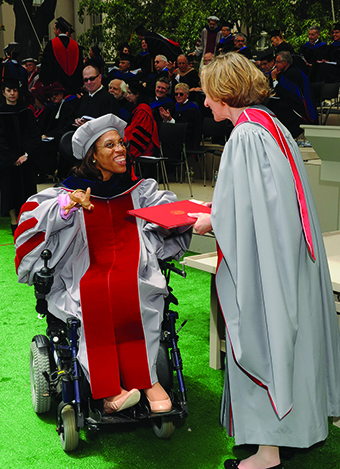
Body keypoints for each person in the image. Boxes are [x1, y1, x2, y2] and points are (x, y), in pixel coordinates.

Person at [188, 52, 340, 469]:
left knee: (265, 337)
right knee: (296, 342)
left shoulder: (246, 136)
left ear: (223, 92)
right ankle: (296, 431)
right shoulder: (271, 125)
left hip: (268, 264)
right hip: (293, 258)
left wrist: (209, 219)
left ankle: (268, 453)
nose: (204, 103)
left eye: (207, 95)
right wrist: (219, 210)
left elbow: (247, 216)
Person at [15, 113, 191, 413]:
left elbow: (167, 211)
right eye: (109, 145)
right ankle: (110, 391)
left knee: (134, 291)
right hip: (84, 272)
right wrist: (66, 209)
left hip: (133, 269)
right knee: (95, 295)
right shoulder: (65, 194)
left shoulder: (139, 190)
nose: (120, 149)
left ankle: (148, 382)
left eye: (121, 143)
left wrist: (180, 214)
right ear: (92, 157)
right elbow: (31, 224)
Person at [0, 77, 40, 234]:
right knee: (9, 188)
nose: (12, 93)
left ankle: (27, 217)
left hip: (25, 159)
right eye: (9, 91)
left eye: (15, 90)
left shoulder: (26, 112)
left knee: (27, 188)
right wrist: (11, 158)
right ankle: (13, 220)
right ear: (3, 93)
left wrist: (26, 155)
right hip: (8, 161)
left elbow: (34, 135)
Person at [268, 51, 317, 138]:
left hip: (300, 111)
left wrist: (274, 78)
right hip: (293, 103)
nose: (275, 65)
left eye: (277, 62)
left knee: (272, 105)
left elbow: (282, 93)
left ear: (285, 62)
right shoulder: (288, 72)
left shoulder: (292, 74)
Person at [69, 61, 121, 128]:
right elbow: (71, 118)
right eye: (85, 80)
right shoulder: (83, 99)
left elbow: (111, 126)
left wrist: (89, 126)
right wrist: (77, 122)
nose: (89, 82)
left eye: (92, 79)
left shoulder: (109, 100)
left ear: (99, 77)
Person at [39, 16, 83, 94]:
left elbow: (47, 66)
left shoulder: (51, 44)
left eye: (55, 29)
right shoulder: (75, 45)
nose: (54, 31)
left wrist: (46, 82)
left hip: (56, 86)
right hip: (73, 86)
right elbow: (80, 66)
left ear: (58, 30)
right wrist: (79, 83)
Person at [159, 82, 202, 149]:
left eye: (181, 94)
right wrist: (165, 119)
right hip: (174, 138)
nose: (178, 96)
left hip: (186, 141)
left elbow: (185, 130)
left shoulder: (191, 110)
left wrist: (170, 119)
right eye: (176, 94)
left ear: (187, 95)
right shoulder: (174, 107)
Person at [125, 79, 160, 158]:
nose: (127, 96)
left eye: (129, 93)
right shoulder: (139, 109)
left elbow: (139, 134)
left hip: (146, 150)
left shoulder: (143, 111)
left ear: (137, 94)